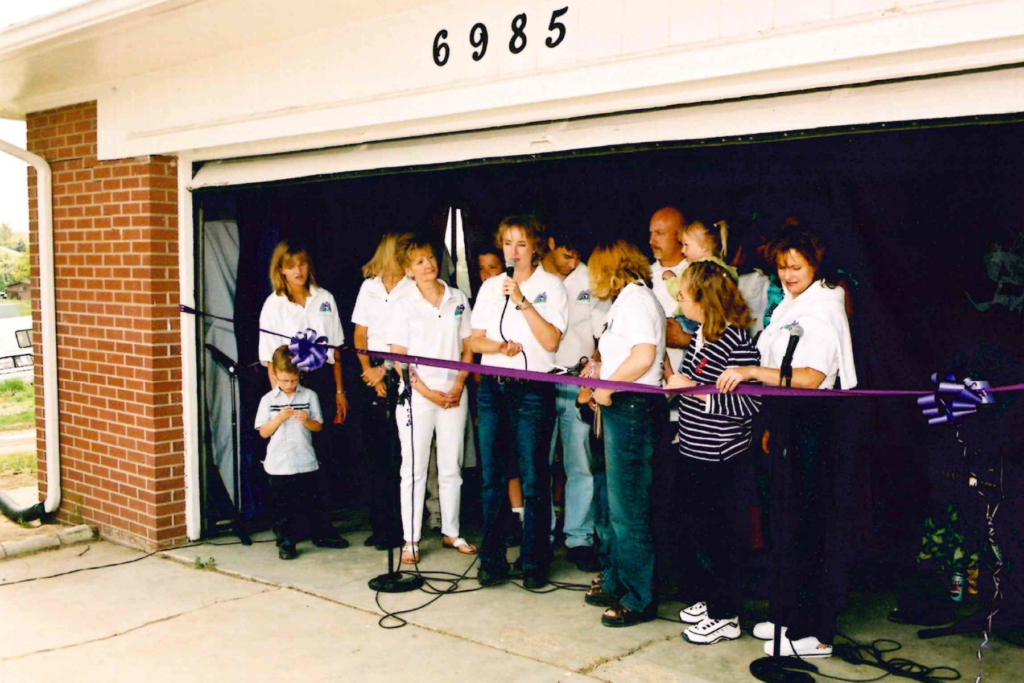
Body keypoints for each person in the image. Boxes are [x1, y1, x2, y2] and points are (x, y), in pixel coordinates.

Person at [717, 226, 857, 659]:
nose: (787, 274)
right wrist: (768, 425)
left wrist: (752, 373)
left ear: (815, 265)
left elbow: (812, 379)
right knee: (783, 523)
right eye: (781, 266)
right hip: (784, 421)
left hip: (815, 425)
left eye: (796, 266)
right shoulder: (790, 306)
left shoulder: (824, 308)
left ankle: (814, 629)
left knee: (808, 525)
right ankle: (786, 614)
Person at [665, 261, 762, 645]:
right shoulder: (703, 336)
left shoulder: (735, 342)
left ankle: (726, 615)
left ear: (703, 299)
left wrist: (692, 390)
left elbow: (749, 407)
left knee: (721, 537)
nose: (679, 300)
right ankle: (713, 599)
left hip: (722, 459)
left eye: (684, 294)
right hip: (693, 451)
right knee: (700, 532)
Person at [471, 215, 568, 589]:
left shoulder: (551, 286)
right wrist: (498, 347)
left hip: (532, 389)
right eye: (508, 243)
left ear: (535, 247)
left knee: (533, 476)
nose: (513, 251)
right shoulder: (490, 287)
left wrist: (523, 301)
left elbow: (550, 342)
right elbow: (475, 341)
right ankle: (492, 558)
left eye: (521, 244)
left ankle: (534, 561)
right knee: (492, 476)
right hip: (493, 388)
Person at [579, 240, 666, 628]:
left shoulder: (635, 301)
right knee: (618, 508)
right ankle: (618, 580)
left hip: (631, 408)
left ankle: (639, 597)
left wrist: (608, 385)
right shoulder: (628, 301)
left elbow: (644, 356)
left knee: (629, 510)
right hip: (624, 408)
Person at [388, 236, 477, 564]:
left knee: (451, 464)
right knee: (413, 467)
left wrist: (458, 384)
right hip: (417, 396)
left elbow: (468, 345)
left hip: (454, 393)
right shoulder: (402, 303)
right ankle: (410, 539)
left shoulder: (457, 297)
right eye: (420, 261)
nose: (429, 264)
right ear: (409, 270)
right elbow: (398, 356)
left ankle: (451, 530)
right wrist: (426, 391)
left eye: (430, 257)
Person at [258, 240, 348, 503]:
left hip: (322, 379)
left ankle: (324, 525)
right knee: (294, 451)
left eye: (302, 264)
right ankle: (296, 526)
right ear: (281, 270)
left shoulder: (325, 298)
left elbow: (337, 350)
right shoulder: (274, 304)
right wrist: (280, 398)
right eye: (291, 266)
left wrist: (340, 392)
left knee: (324, 449)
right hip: (292, 382)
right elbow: (269, 359)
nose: (298, 271)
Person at [541, 226, 607, 572]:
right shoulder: (532, 279)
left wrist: (594, 368)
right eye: (566, 254)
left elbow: (602, 333)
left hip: (577, 380)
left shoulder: (588, 278)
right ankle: (540, 534)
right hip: (537, 380)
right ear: (550, 243)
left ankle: (579, 537)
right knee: (538, 460)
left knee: (580, 462)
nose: (572, 262)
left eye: (577, 255)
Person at [351, 233, 415, 551]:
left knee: (397, 454)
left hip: (399, 370)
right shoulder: (370, 286)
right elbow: (360, 333)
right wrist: (369, 371)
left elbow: (412, 335)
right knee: (375, 453)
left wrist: (385, 369)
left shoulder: (413, 286)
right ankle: (379, 524)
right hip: (370, 373)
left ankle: (400, 529)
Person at [255, 346, 349, 560]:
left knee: (313, 501)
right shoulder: (268, 400)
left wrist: (306, 420)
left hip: (305, 459)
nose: (289, 386)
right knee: (282, 507)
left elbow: (318, 426)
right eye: (284, 381)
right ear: (275, 375)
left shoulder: (309, 395)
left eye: (293, 381)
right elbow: (262, 432)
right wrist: (278, 419)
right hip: (278, 463)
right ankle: (286, 541)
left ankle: (321, 534)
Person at [475, 245, 524, 543]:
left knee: (518, 458)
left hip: (520, 385)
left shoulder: (520, 292)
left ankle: (520, 517)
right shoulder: (483, 295)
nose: (487, 274)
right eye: (481, 268)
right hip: (489, 386)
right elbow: (475, 343)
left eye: (493, 267)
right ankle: (494, 536)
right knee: (493, 464)